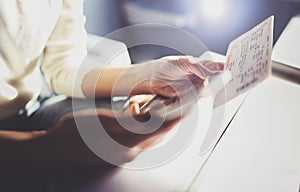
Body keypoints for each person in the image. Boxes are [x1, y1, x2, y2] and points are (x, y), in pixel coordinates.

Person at [0, 0, 225, 168]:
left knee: (129, 125)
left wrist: (146, 77)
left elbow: (62, 66)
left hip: (27, 109)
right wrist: (41, 147)